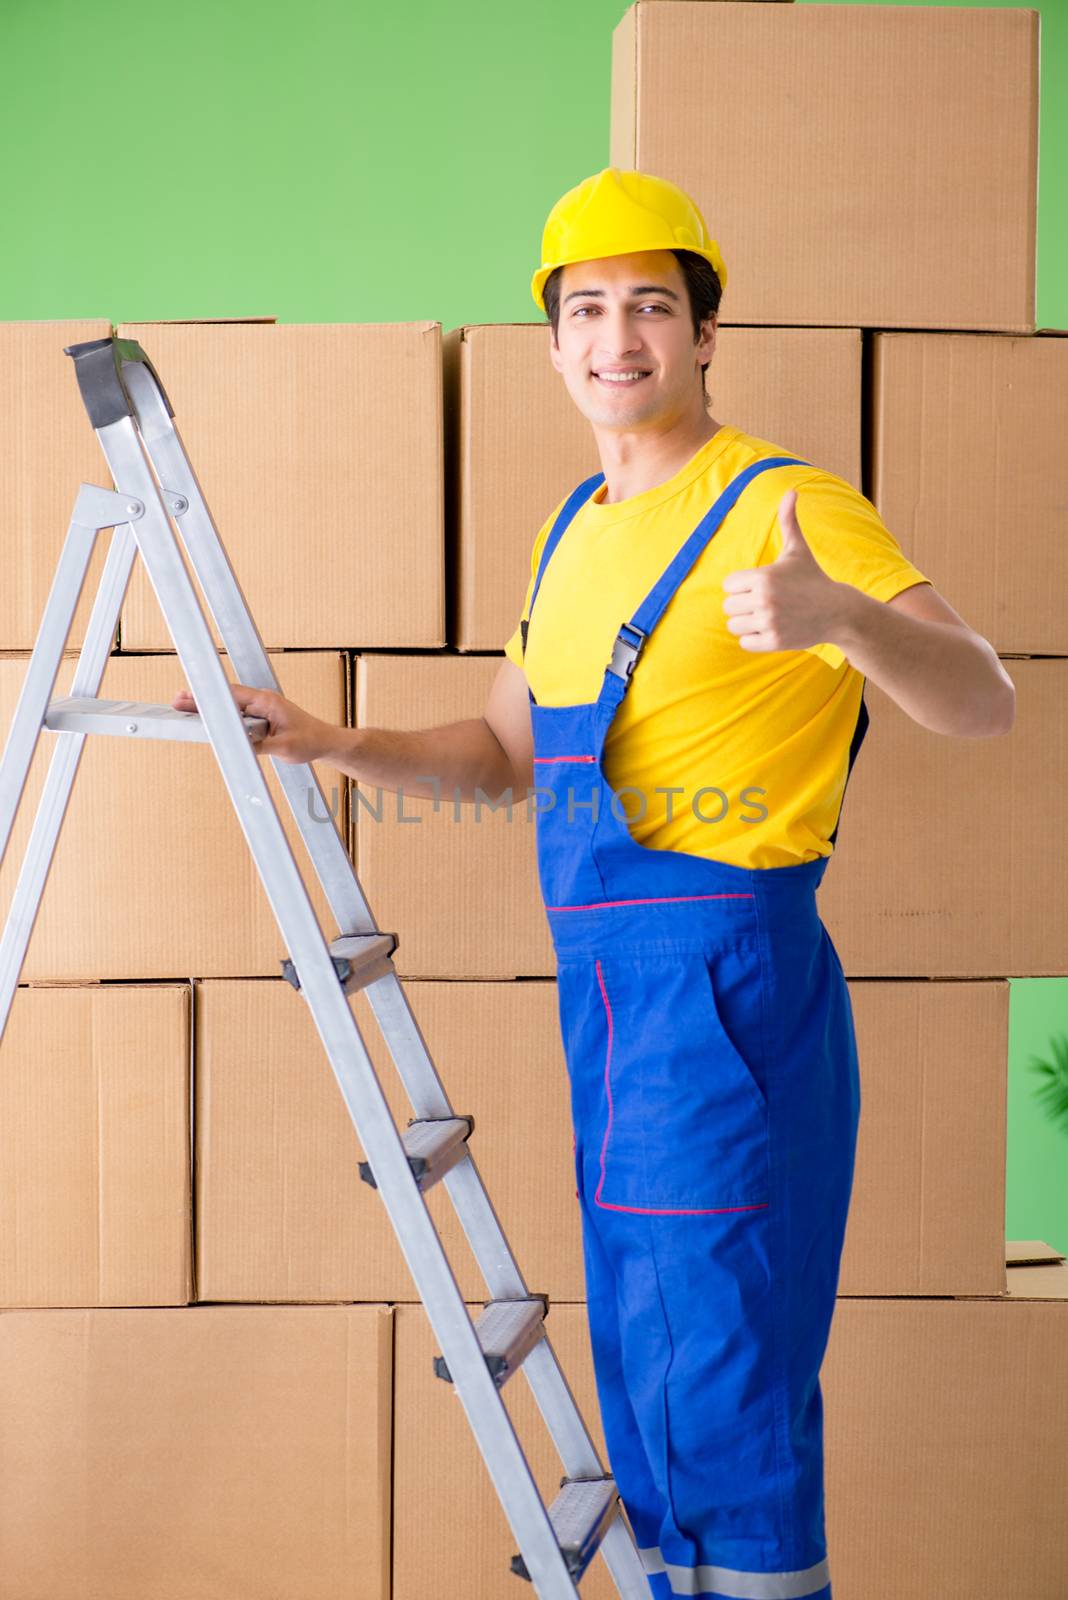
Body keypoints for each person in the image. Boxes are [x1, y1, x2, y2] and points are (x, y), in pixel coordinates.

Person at [172, 167, 1015, 1600]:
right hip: (617, 1001)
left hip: (723, 990)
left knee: (723, 1356)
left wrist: (846, 621)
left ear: (702, 336)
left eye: (651, 307)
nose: (617, 335)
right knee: (653, 1345)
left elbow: (983, 700)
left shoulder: (785, 506)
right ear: (555, 341)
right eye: (587, 309)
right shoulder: (573, 533)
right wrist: (332, 739)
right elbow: (506, 756)